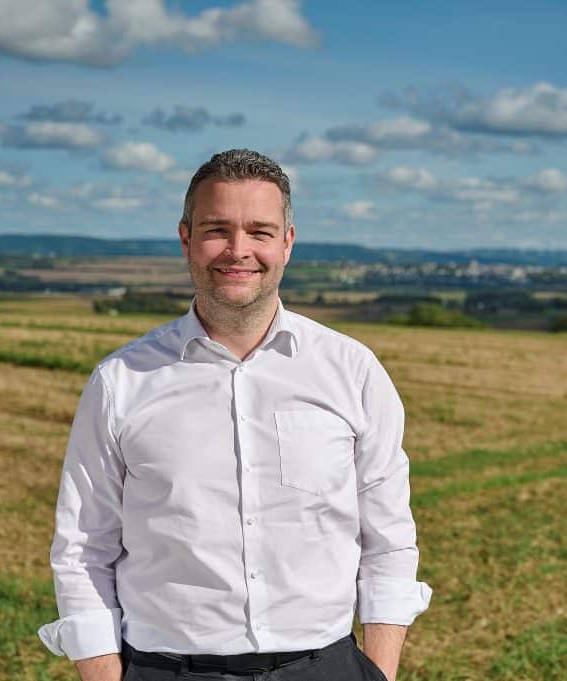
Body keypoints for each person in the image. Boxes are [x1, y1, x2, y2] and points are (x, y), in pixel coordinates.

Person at [38, 148, 431, 681]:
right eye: (217, 229)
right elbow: (83, 550)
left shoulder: (353, 371)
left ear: (287, 242)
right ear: (186, 239)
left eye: (260, 232)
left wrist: (379, 675)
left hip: (325, 667)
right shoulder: (121, 382)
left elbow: (388, 540)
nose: (238, 250)